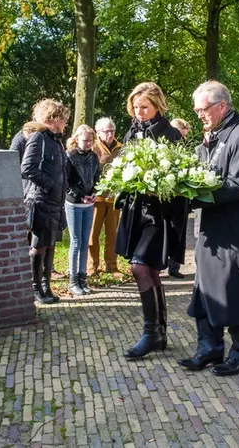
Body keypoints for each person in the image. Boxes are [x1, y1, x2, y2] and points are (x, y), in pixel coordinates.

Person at [179, 80, 239, 377]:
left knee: (235, 289)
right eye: (196, 111)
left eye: (203, 109)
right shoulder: (213, 136)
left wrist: (193, 194)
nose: (199, 115)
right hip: (212, 228)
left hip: (237, 231)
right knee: (206, 287)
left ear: (221, 105)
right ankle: (209, 347)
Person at [115, 82, 187, 360]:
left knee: (140, 267)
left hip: (160, 214)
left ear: (158, 105)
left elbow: (181, 176)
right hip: (136, 211)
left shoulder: (170, 134)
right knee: (150, 271)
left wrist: (160, 188)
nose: (139, 112)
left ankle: (150, 332)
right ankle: (159, 332)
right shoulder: (132, 131)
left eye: (144, 107)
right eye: (135, 107)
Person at [21, 99, 70, 305]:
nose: (66, 124)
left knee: (50, 245)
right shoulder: (39, 138)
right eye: (64, 120)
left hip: (55, 203)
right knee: (39, 246)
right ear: (55, 118)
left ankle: (46, 286)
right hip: (41, 201)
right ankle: (36, 289)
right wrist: (50, 185)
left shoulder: (55, 140)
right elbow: (28, 168)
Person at [65, 125, 101, 295]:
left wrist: (95, 193)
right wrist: (80, 196)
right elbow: (66, 182)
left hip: (89, 203)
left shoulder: (94, 157)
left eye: (90, 141)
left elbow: (97, 178)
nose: (87, 144)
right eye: (85, 140)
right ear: (77, 139)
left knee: (85, 242)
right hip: (74, 203)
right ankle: (73, 280)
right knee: (76, 241)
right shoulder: (69, 156)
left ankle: (82, 278)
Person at [88, 117, 123, 276]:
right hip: (96, 199)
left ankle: (112, 266)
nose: (109, 134)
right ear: (98, 132)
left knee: (112, 234)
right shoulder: (93, 147)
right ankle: (92, 266)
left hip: (114, 198)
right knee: (92, 234)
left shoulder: (121, 147)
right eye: (106, 131)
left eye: (112, 131)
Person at [166, 118, 192, 278]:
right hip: (165, 195)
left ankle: (174, 265)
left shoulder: (187, 149)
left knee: (178, 231)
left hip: (181, 197)